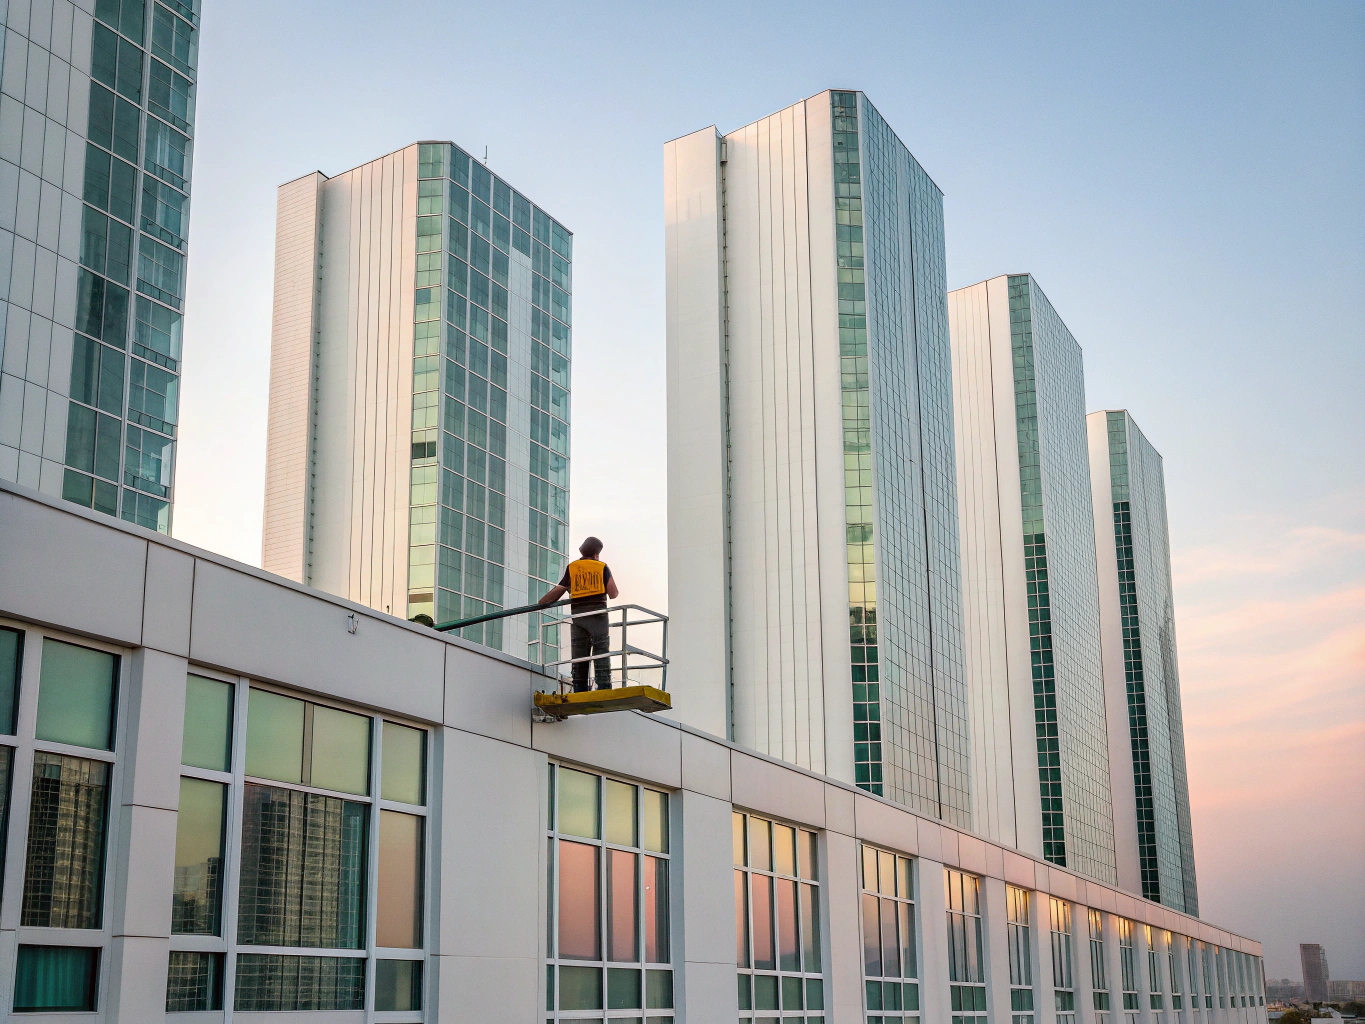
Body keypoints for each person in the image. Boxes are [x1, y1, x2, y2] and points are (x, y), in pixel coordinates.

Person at [539, 536, 619, 691]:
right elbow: (613, 593)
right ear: (597, 553)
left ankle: (579, 687)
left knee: (579, 652)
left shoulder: (573, 567)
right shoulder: (601, 566)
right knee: (600, 649)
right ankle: (603, 686)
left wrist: (541, 603)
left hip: (578, 616)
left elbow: (560, 589)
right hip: (598, 615)